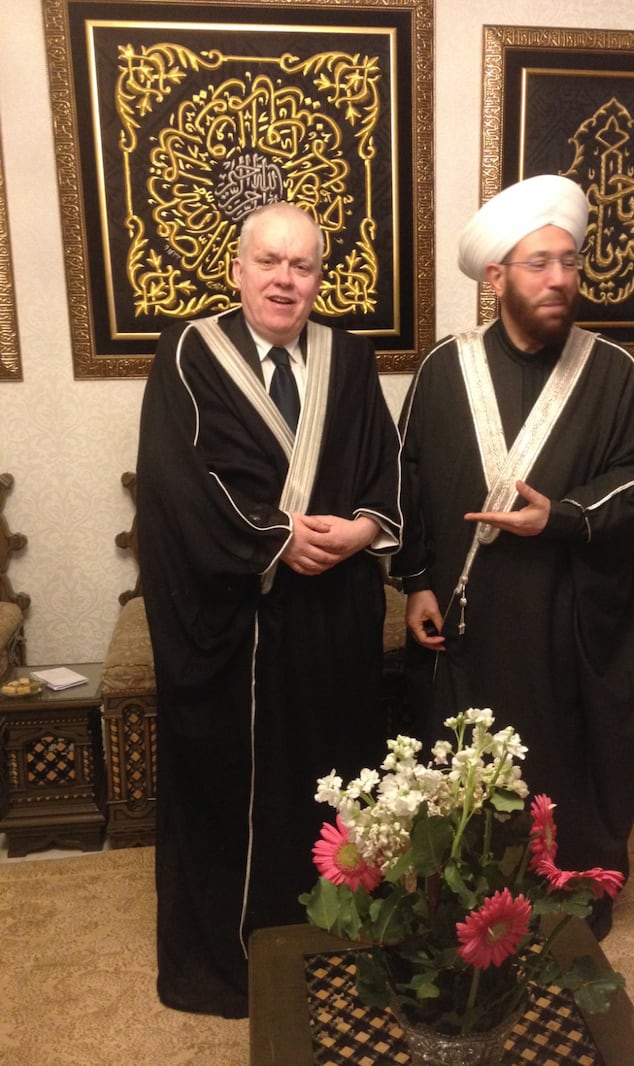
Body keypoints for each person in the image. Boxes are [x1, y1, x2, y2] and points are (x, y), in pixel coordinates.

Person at [136, 201, 402, 1018]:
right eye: (270, 262)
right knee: (237, 789)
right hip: (236, 623)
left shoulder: (349, 361)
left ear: (321, 277)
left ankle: (335, 946)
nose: (286, 280)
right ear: (237, 268)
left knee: (331, 781)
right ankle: (235, 959)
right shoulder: (187, 354)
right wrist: (277, 538)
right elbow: (178, 485)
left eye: (304, 266)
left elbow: (386, 469)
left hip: (332, 622)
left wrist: (361, 530)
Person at [391, 175, 634, 939]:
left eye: (570, 262)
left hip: (568, 624)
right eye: (539, 264)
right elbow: (404, 478)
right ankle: (470, 908)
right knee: (465, 765)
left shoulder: (611, 372)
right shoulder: (445, 369)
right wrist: (414, 584)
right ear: (496, 277)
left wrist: (562, 517)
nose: (560, 280)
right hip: (469, 624)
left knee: (564, 765)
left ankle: (568, 905)